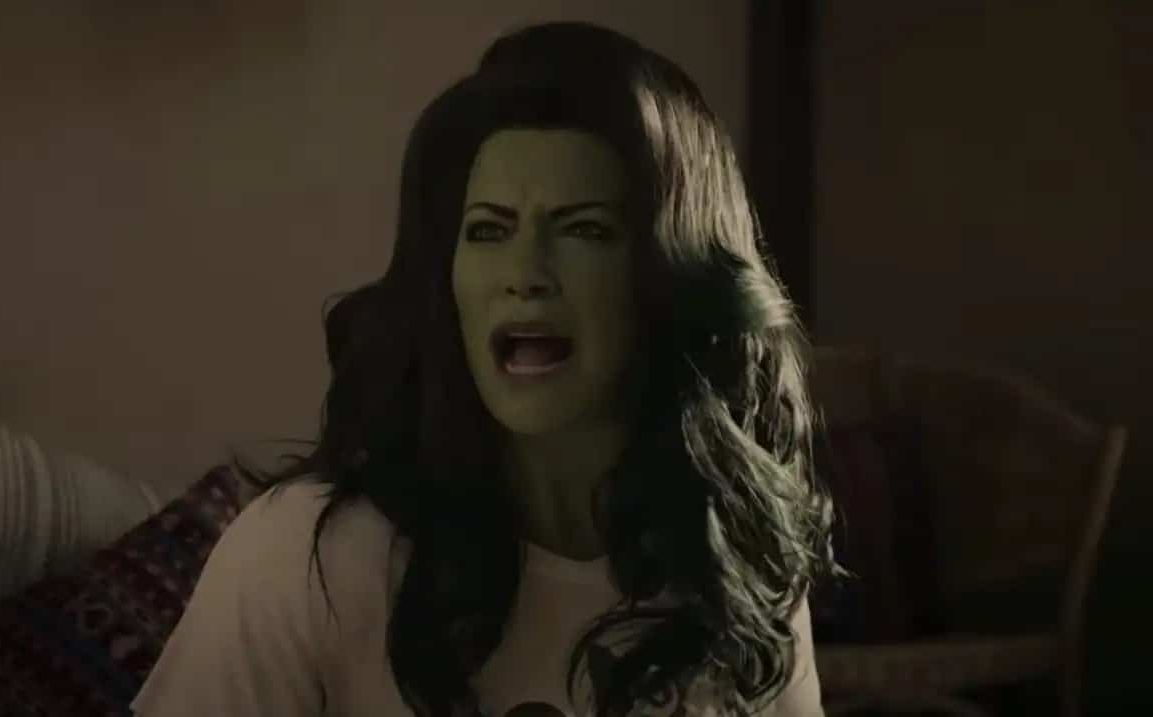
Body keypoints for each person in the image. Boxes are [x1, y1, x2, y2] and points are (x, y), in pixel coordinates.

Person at [130, 21, 837, 717]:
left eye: (584, 229)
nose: (524, 273)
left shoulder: (737, 567)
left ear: (671, 277)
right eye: (489, 230)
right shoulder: (304, 560)